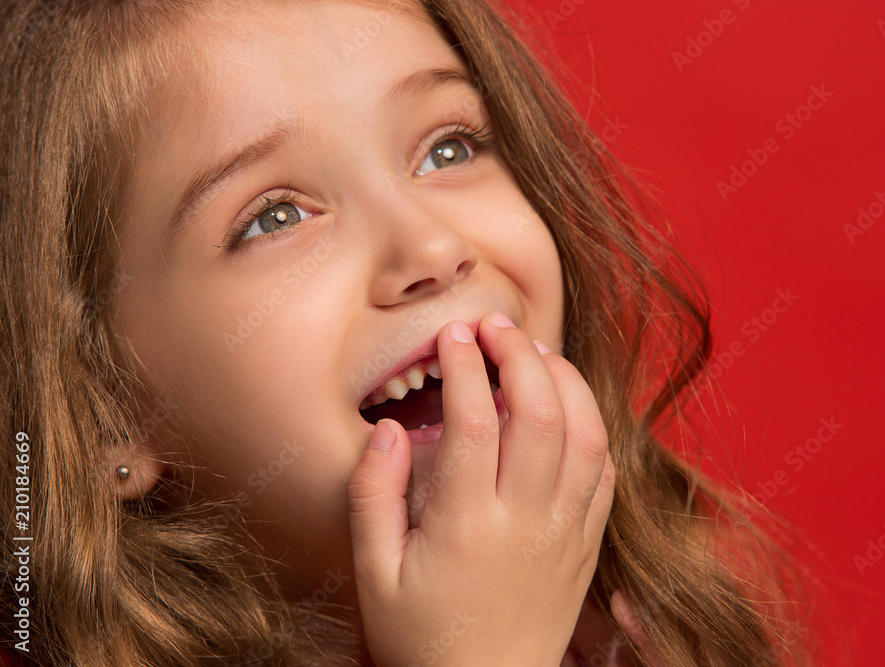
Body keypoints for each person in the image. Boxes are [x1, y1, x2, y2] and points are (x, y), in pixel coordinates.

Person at [0, 1, 816, 665]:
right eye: (275, 216)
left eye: (447, 147)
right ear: (104, 407)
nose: (430, 246)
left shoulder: (642, 636)